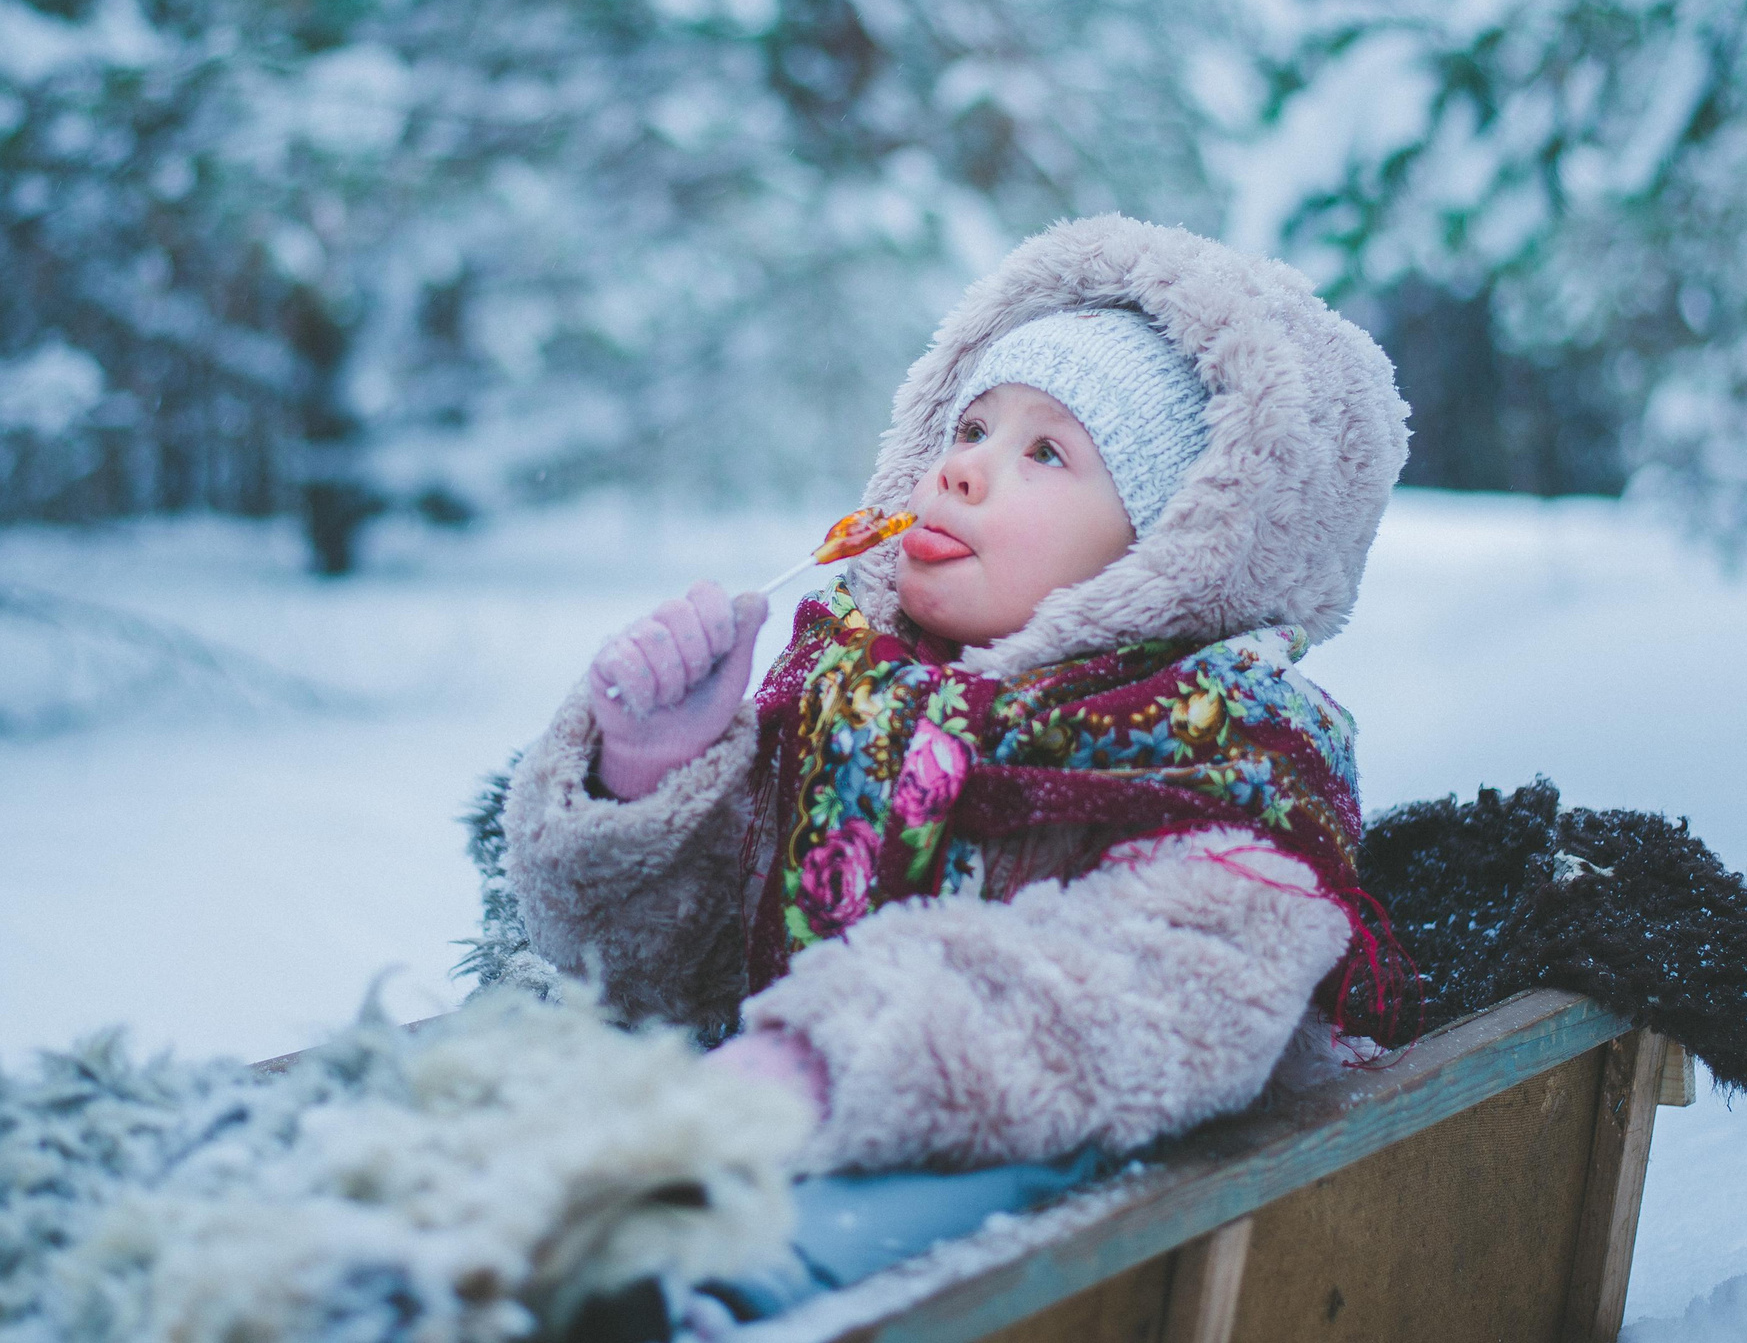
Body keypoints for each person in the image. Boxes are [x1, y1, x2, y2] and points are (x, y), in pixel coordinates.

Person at [499, 215, 1410, 1195]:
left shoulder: (1226, 762)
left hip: (1081, 1240)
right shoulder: (851, 697)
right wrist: (650, 769)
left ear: (1177, 544)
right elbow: (666, 977)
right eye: (970, 428)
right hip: (750, 1157)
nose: (958, 468)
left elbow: (1141, 999)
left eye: (1048, 452)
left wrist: (814, 1063)